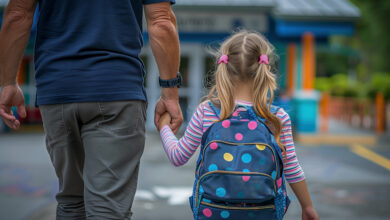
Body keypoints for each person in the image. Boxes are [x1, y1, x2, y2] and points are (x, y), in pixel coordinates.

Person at [0, 0, 183, 219]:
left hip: (58, 89)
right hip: (116, 90)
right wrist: (169, 92)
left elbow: (17, 14)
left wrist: (8, 82)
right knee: (108, 209)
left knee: (71, 203)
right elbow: (161, 21)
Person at [158, 31, 319, 220]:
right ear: (264, 68)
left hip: (213, 212)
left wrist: (164, 127)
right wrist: (307, 207)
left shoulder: (207, 111)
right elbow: (292, 168)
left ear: (224, 68)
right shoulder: (276, 117)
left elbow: (178, 156)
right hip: (263, 213)